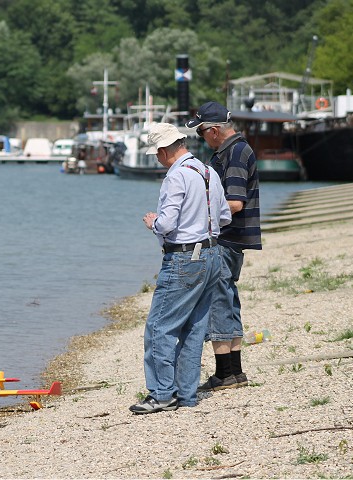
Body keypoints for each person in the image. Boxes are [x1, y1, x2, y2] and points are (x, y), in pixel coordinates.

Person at [129, 123, 231, 414]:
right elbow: (224, 216)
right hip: (212, 254)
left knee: (159, 327)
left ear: (163, 151)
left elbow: (167, 223)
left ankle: (162, 393)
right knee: (194, 327)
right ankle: (186, 394)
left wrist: (153, 223)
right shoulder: (207, 171)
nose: (157, 159)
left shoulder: (176, 177)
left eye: (156, 154)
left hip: (184, 258)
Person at [185, 101, 262, 392]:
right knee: (228, 300)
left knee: (218, 302)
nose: (202, 138)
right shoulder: (234, 150)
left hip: (226, 238)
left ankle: (225, 374)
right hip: (232, 238)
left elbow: (235, 202)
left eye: (202, 132)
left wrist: (196, 215)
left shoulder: (235, 152)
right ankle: (235, 372)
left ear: (215, 130)